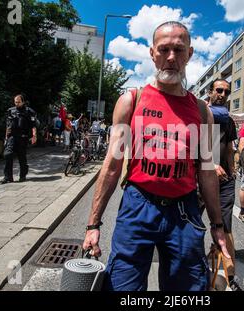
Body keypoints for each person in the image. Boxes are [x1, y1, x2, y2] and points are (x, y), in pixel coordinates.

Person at [82, 21, 229, 291]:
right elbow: (112, 166)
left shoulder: (201, 112)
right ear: (152, 53)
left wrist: (218, 225)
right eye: (164, 49)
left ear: (190, 54)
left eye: (178, 50)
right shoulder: (131, 101)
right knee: (123, 288)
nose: (171, 57)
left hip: (184, 213)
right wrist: (93, 224)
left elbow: (207, 171)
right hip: (138, 206)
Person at [207, 78, 242, 291]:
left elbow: (229, 147)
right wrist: (210, 164)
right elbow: (192, 145)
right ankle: (192, 270)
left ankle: (231, 277)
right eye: (218, 90)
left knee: (225, 225)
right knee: (193, 224)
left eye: (226, 91)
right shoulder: (201, 113)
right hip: (199, 178)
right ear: (210, 92)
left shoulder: (228, 120)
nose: (222, 94)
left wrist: (232, 170)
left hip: (224, 179)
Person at [0, 94, 37, 184]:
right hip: (12, 137)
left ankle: (22, 175)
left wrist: (34, 136)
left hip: (22, 137)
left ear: (23, 102)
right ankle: (8, 176)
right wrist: (6, 137)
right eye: (15, 102)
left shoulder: (29, 111)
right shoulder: (10, 111)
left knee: (22, 157)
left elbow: (33, 125)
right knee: (7, 154)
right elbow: (8, 125)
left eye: (19, 102)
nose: (17, 104)